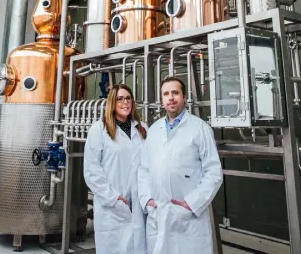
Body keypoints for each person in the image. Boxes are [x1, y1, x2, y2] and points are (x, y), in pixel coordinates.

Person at [138, 76, 222, 254]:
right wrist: (147, 200)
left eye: (175, 93)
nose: (171, 98)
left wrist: (192, 204)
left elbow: (213, 172)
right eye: (166, 94)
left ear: (184, 97)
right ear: (162, 100)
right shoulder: (154, 130)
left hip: (189, 218)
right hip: (158, 214)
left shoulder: (200, 128)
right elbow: (144, 169)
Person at [84, 83, 147, 254]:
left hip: (139, 204)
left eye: (128, 98)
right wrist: (113, 198)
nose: (125, 102)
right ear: (112, 102)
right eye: (120, 99)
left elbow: (149, 166)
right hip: (112, 206)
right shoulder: (99, 130)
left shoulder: (142, 129)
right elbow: (91, 171)